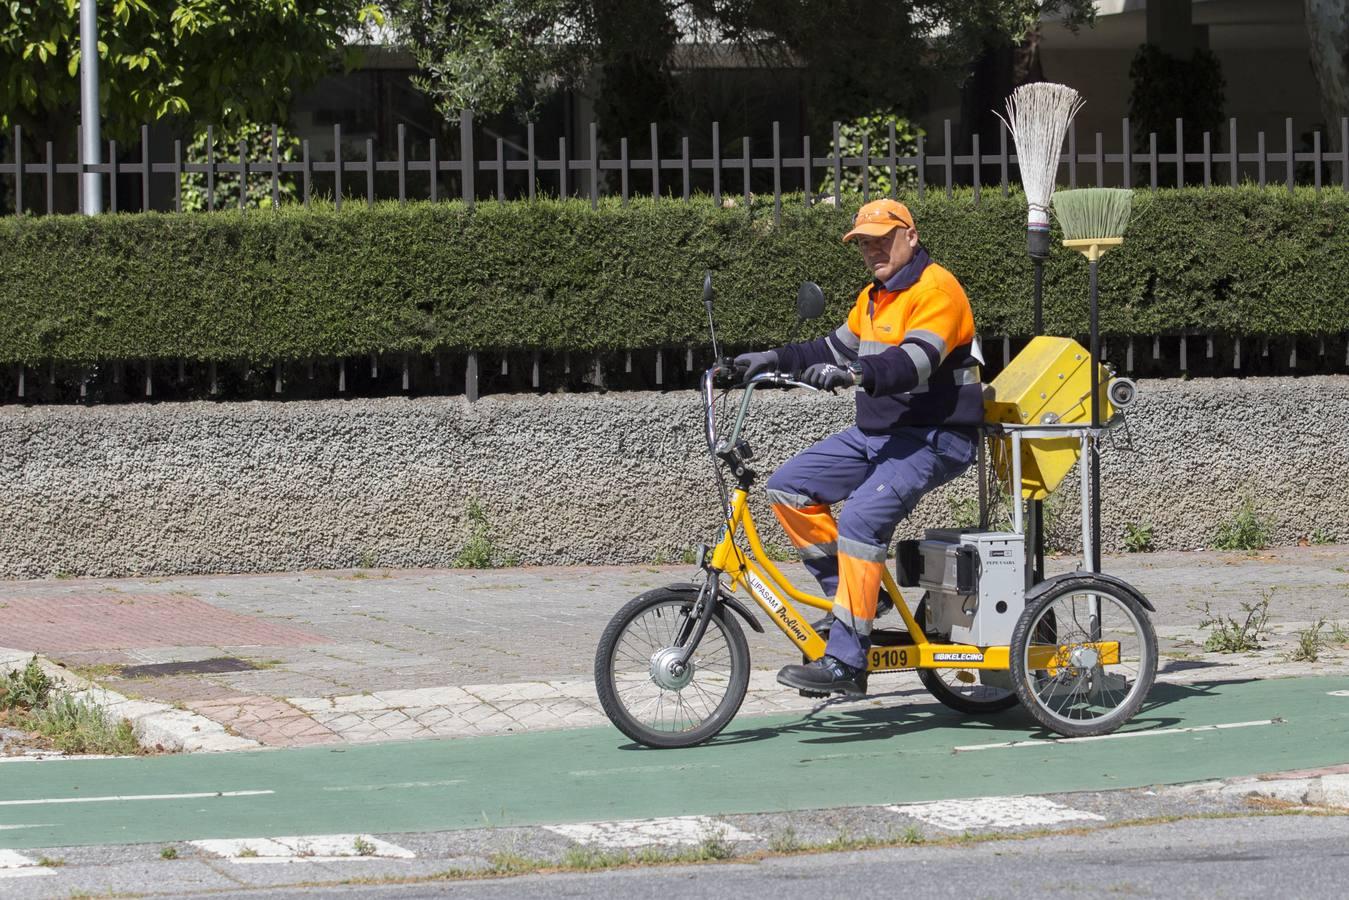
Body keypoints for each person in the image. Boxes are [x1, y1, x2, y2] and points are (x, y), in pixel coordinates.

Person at [734, 198, 984, 696]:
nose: (873, 250)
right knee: (790, 489)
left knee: (860, 520)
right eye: (864, 243)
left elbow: (915, 361)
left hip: (936, 436)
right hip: (878, 435)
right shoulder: (873, 296)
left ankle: (847, 663)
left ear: (910, 236)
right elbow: (831, 348)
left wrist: (855, 375)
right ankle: (857, 602)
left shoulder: (937, 289)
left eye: (882, 240)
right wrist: (771, 358)